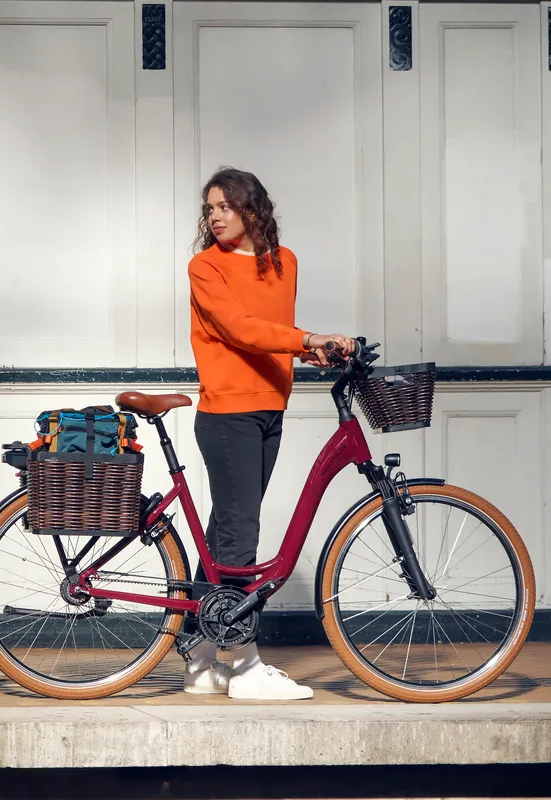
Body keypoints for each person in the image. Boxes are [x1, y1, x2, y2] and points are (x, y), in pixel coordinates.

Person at [182, 167, 354, 701]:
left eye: (225, 207)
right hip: (228, 412)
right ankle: (245, 663)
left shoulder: (285, 263)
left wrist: (314, 348)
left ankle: (199, 655)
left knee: (222, 533)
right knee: (239, 535)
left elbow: (274, 333)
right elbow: (240, 329)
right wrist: (306, 336)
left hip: (270, 408)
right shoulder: (204, 267)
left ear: (252, 209)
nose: (214, 216)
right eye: (209, 208)